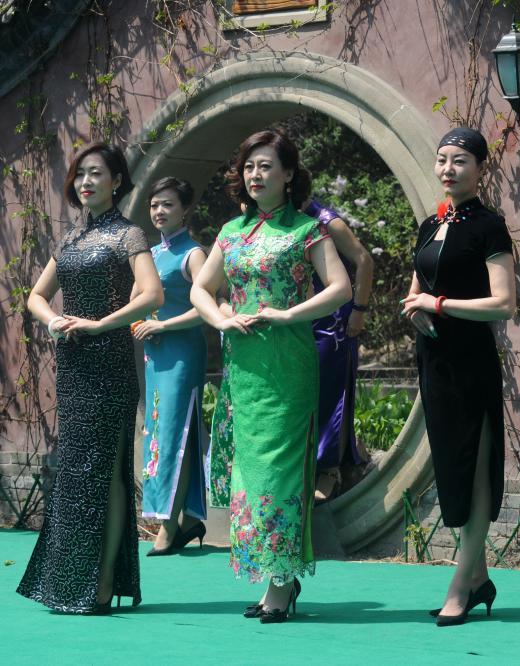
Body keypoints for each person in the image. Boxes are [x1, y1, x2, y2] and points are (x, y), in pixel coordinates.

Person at [190, 129, 351, 623]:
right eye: (249, 166)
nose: (255, 174)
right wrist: (221, 320)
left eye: (265, 166)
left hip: (289, 366)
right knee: (250, 473)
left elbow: (341, 288)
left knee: (280, 473)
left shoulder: (307, 230)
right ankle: (273, 576)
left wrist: (288, 314)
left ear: (288, 174)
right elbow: (201, 288)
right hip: (244, 369)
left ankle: (282, 581)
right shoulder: (231, 232)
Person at [17, 143, 163, 613]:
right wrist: (53, 320)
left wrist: (101, 324)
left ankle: (101, 584)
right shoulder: (71, 240)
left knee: (108, 472)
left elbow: (152, 294)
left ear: (116, 181)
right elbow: (36, 296)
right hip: (74, 365)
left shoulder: (129, 235)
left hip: (110, 364)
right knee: (77, 472)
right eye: (80, 174)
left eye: (96, 173)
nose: (85, 182)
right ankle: (69, 582)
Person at [402, 127, 515, 626]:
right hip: (434, 359)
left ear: (480, 169)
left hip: (471, 360)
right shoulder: (431, 224)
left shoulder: (489, 226)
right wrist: (415, 308)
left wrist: (440, 304)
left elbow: (504, 303)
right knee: (452, 467)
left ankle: (460, 584)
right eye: (442, 159)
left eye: (460, 160)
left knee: (474, 465)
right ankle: (480, 578)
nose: (448, 169)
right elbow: (417, 290)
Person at [133, 177, 209, 556]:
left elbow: (206, 307)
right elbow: (135, 302)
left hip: (183, 355)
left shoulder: (193, 254)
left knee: (173, 434)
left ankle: (167, 525)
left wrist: (163, 326)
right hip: (156, 356)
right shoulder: (149, 254)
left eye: (167, 204)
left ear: (185, 210)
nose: (159, 211)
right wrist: (138, 324)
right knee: (162, 433)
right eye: (154, 205)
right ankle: (190, 519)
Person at [303, 199, 374, 503]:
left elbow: (364, 260)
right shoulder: (281, 218)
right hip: (301, 319)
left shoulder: (326, 220)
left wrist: (359, 309)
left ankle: (330, 470)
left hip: (333, 323)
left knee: (331, 391)